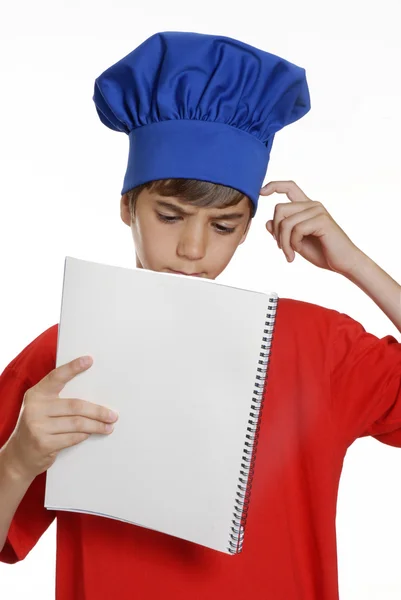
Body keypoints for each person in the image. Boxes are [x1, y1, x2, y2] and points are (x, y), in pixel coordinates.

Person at [0, 31, 400, 600]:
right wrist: (17, 459)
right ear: (126, 207)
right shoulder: (63, 358)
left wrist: (356, 264)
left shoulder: (322, 346)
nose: (193, 250)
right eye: (169, 215)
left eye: (222, 226)